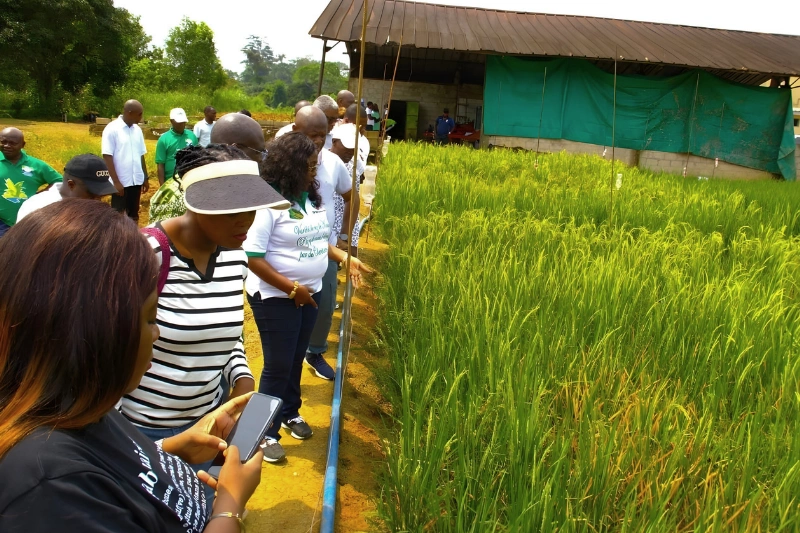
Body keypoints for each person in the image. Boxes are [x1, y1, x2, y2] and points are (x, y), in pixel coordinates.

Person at [0, 199, 263, 532]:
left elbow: (116, 466)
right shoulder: (48, 488)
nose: (157, 334)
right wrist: (229, 507)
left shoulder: (82, 404)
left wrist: (171, 450)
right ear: (97, 332)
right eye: (151, 318)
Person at [122, 145, 289, 446]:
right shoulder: (144, 255)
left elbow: (227, 335)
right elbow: (105, 349)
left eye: (251, 208)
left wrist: (242, 379)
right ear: (197, 204)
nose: (245, 220)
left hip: (209, 424)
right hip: (141, 430)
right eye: (231, 210)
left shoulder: (235, 258)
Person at [244, 132, 363, 462]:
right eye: (309, 166)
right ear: (290, 166)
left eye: (315, 165)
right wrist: (292, 289)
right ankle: (261, 433)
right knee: (277, 365)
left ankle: (289, 412)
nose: (314, 171)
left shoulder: (308, 197)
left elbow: (316, 240)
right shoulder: (269, 202)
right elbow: (253, 257)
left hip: (309, 293)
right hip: (275, 296)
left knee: (295, 357)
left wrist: (344, 257)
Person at [149, 112, 270, 224]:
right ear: (236, 149)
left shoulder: (231, 185)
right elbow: (164, 238)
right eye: (259, 152)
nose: (262, 159)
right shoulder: (182, 193)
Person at [16, 154, 117, 222]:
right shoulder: (36, 208)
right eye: (92, 195)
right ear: (71, 185)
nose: (97, 201)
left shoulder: (90, 208)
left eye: (100, 197)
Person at [0, 127, 62, 236]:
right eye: (3, 142)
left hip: (27, 222)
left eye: (13, 143)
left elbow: (60, 182)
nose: (7, 146)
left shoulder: (37, 165)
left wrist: (40, 196)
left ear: (23, 145)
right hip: (2, 221)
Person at [102, 99, 149, 221]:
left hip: (136, 181)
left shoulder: (137, 130)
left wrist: (144, 176)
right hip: (121, 182)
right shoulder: (112, 129)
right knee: (118, 217)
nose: (141, 117)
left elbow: (141, 154)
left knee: (133, 215)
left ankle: (134, 234)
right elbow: (107, 156)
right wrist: (116, 182)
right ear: (129, 113)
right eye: (139, 114)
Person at [330, 121, 367, 257]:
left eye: (353, 148)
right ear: (334, 142)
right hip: (325, 231)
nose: (350, 152)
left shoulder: (353, 167)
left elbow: (353, 203)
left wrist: (346, 237)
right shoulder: (320, 163)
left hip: (344, 229)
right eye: (347, 147)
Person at [156, 108, 198, 186]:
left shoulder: (192, 136)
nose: (182, 124)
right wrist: (162, 186)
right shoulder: (163, 139)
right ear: (171, 121)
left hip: (190, 179)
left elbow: (197, 158)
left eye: (183, 122)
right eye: (179, 122)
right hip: (171, 181)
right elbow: (161, 165)